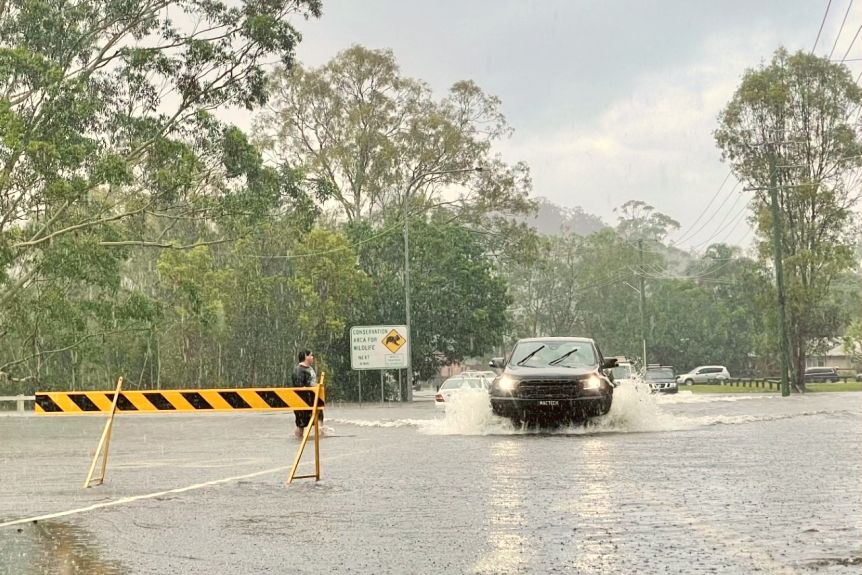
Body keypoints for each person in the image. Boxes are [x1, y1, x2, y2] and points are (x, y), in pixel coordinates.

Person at [291, 349, 323, 438]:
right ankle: (299, 441)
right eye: (311, 355)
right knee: (301, 425)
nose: (313, 357)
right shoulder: (298, 370)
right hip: (303, 403)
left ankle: (320, 439)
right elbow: (299, 388)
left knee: (319, 420)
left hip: (314, 401)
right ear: (306, 356)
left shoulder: (309, 368)